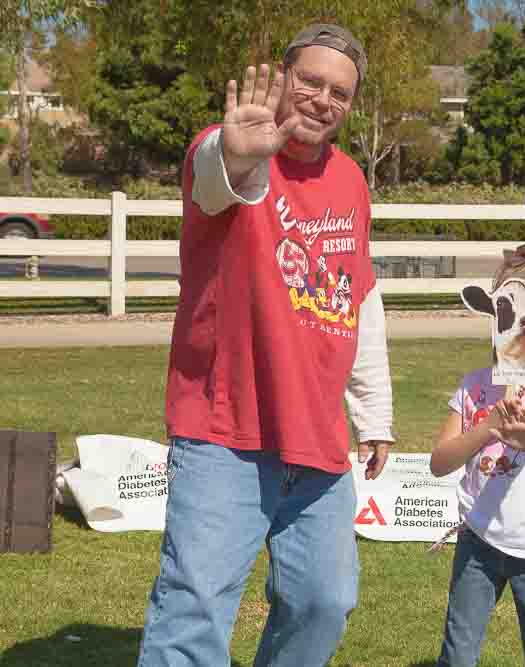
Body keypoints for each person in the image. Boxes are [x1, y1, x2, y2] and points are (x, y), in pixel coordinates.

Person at [137, 24, 395, 667]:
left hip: (317, 440)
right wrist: (236, 156)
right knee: (195, 606)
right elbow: (216, 181)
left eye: (339, 92)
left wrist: (375, 413)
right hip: (225, 432)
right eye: (310, 80)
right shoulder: (227, 147)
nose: (322, 99)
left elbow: (356, 297)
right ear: (282, 77)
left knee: (324, 602)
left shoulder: (351, 182)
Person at [430, 244, 525, 667]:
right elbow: (440, 462)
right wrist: (488, 426)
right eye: (502, 314)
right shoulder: (472, 386)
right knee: (457, 654)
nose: (511, 328)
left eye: (523, 316)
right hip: (477, 542)